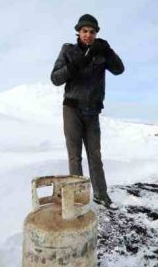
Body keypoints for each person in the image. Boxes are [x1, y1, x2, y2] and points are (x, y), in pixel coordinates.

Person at [51, 14, 124, 210]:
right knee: (75, 156)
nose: (88, 35)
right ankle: (77, 199)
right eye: (84, 31)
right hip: (72, 109)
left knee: (95, 155)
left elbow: (119, 69)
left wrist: (108, 51)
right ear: (78, 32)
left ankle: (101, 195)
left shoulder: (101, 52)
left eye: (92, 32)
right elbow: (55, 78)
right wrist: (77, 64)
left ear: (96, 34)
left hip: (92, 112)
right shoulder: (68, 50)